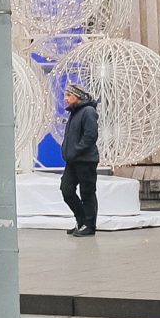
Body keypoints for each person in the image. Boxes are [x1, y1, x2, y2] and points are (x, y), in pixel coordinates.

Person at [61, 83, 102, 236]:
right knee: (66, 190)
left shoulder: (88, 111)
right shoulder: (75, 112)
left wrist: (76, 150)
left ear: (78, 96)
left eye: (69, 95)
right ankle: (81, 220)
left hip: (85, 160)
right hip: (73, 160)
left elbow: (90, 136)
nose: (65, 99)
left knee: (87, 193)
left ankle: (89, 226)